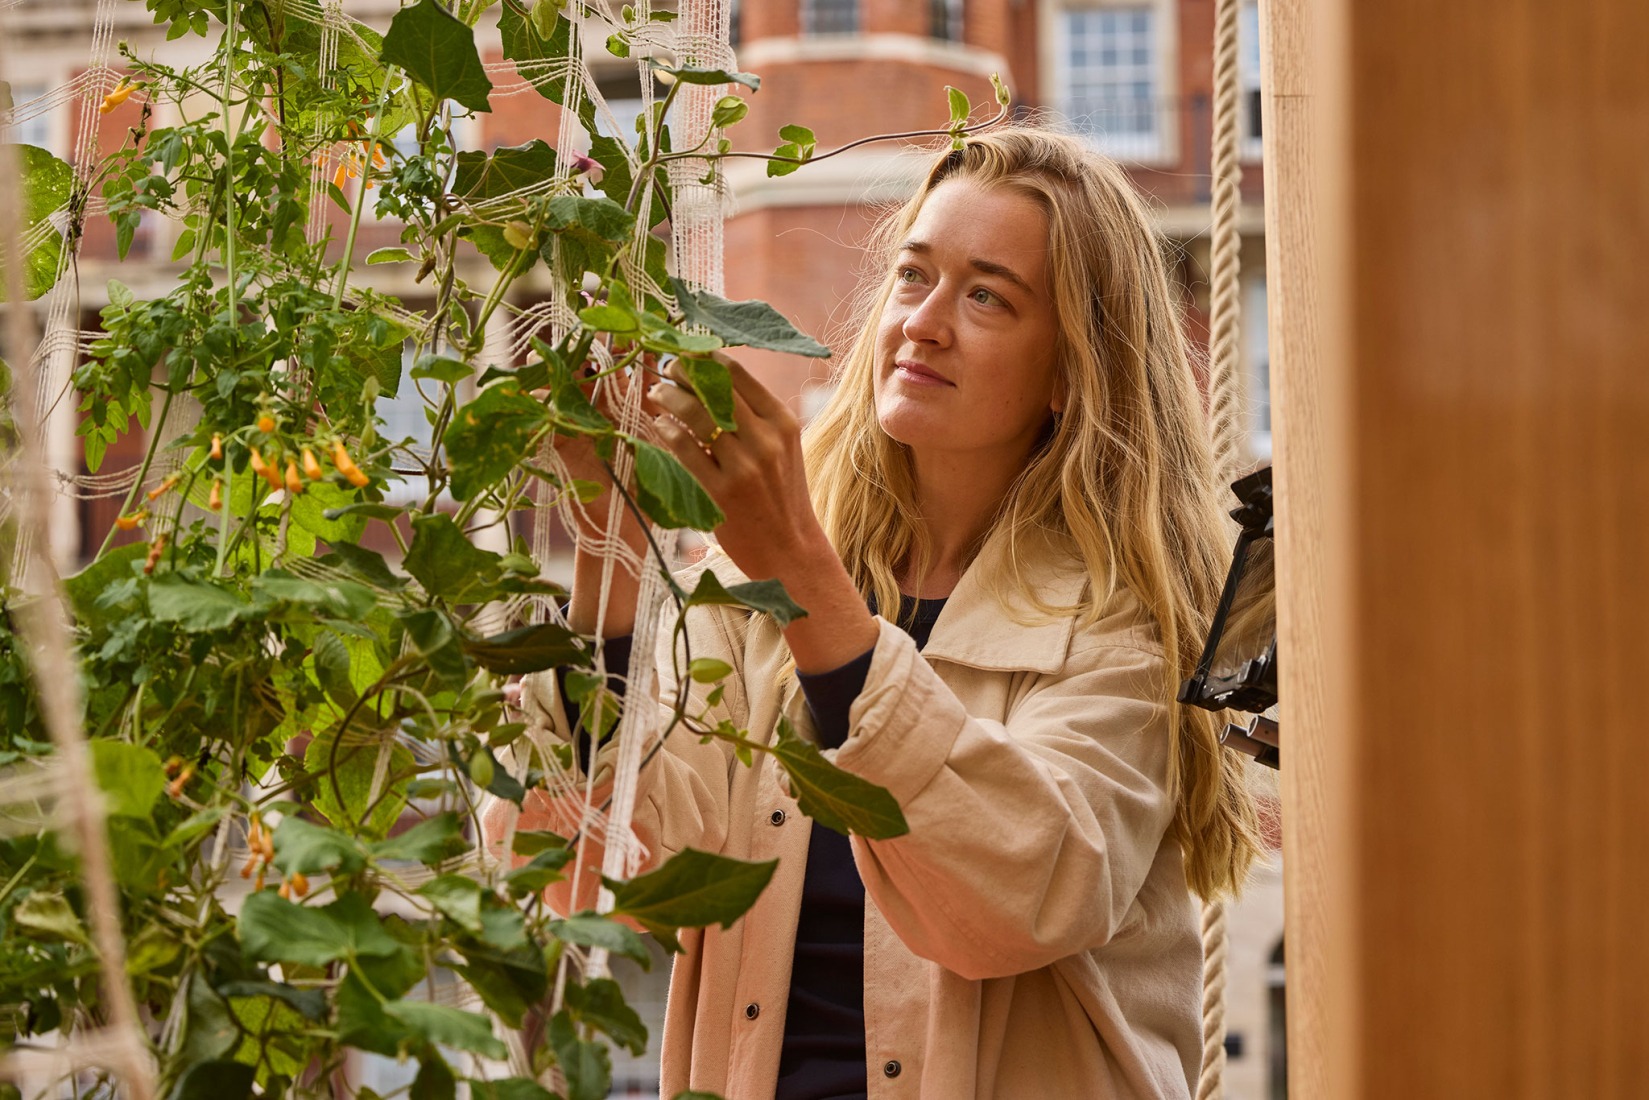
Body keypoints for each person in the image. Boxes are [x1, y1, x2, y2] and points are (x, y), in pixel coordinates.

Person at [496, 127, 1262, 1099]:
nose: (924, 322)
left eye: (986, 295)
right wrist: (605, 543)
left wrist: (806, 577)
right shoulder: (752, 584)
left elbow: (1015, 896)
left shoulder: (1127, 616)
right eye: (912, 275)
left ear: (1071, 369)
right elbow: (593, 872)